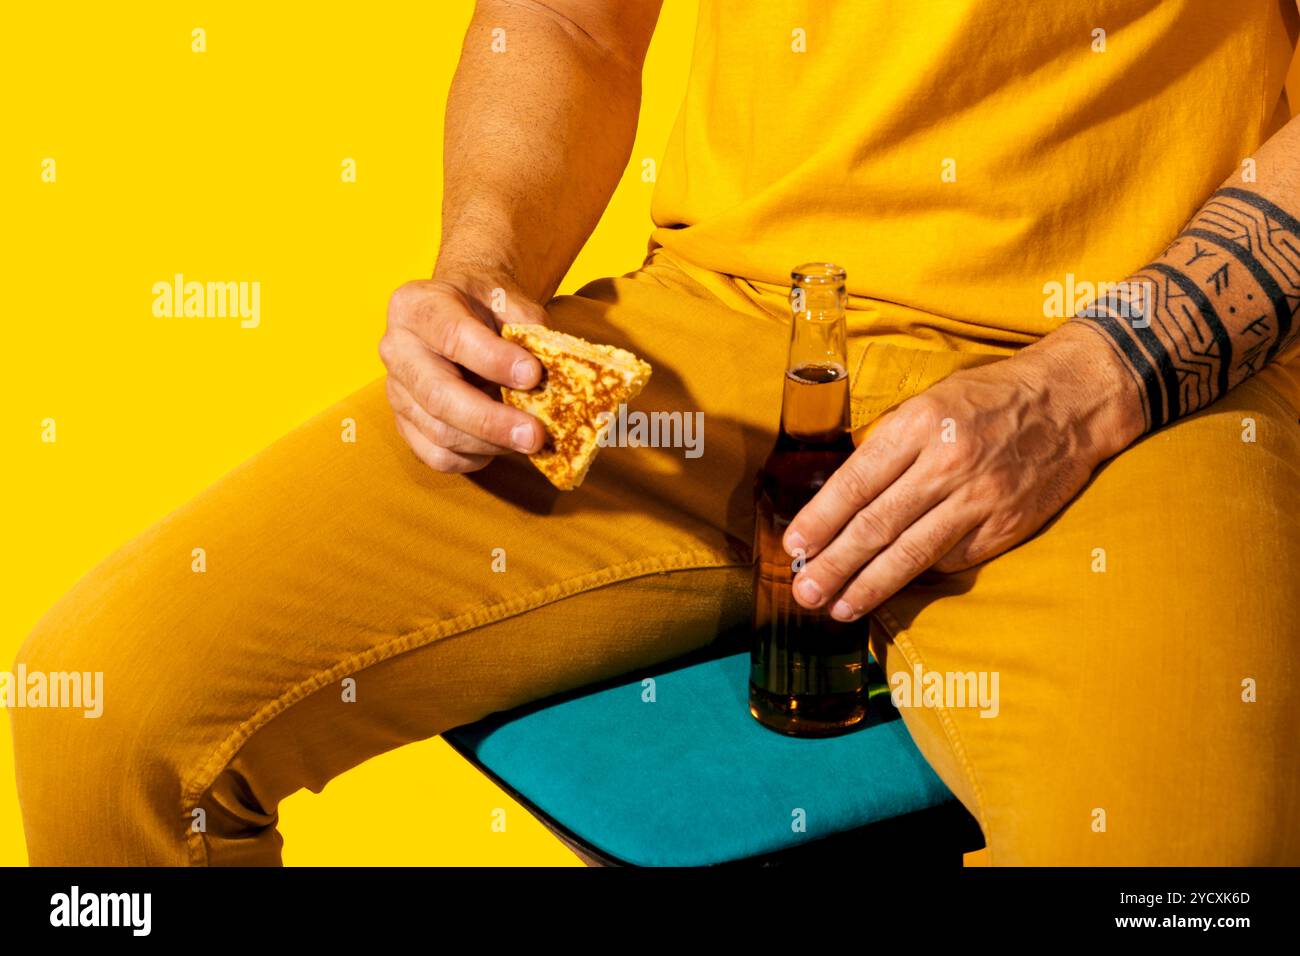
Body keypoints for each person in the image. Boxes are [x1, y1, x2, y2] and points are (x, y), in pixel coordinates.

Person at [12, 0, 1300, 866]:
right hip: (724, 332)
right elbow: (565, 23)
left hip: (1129, 373)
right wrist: (483, 272)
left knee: (1180, 873)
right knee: (106, 715)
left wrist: (1093, 380)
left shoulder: (1113, 376)